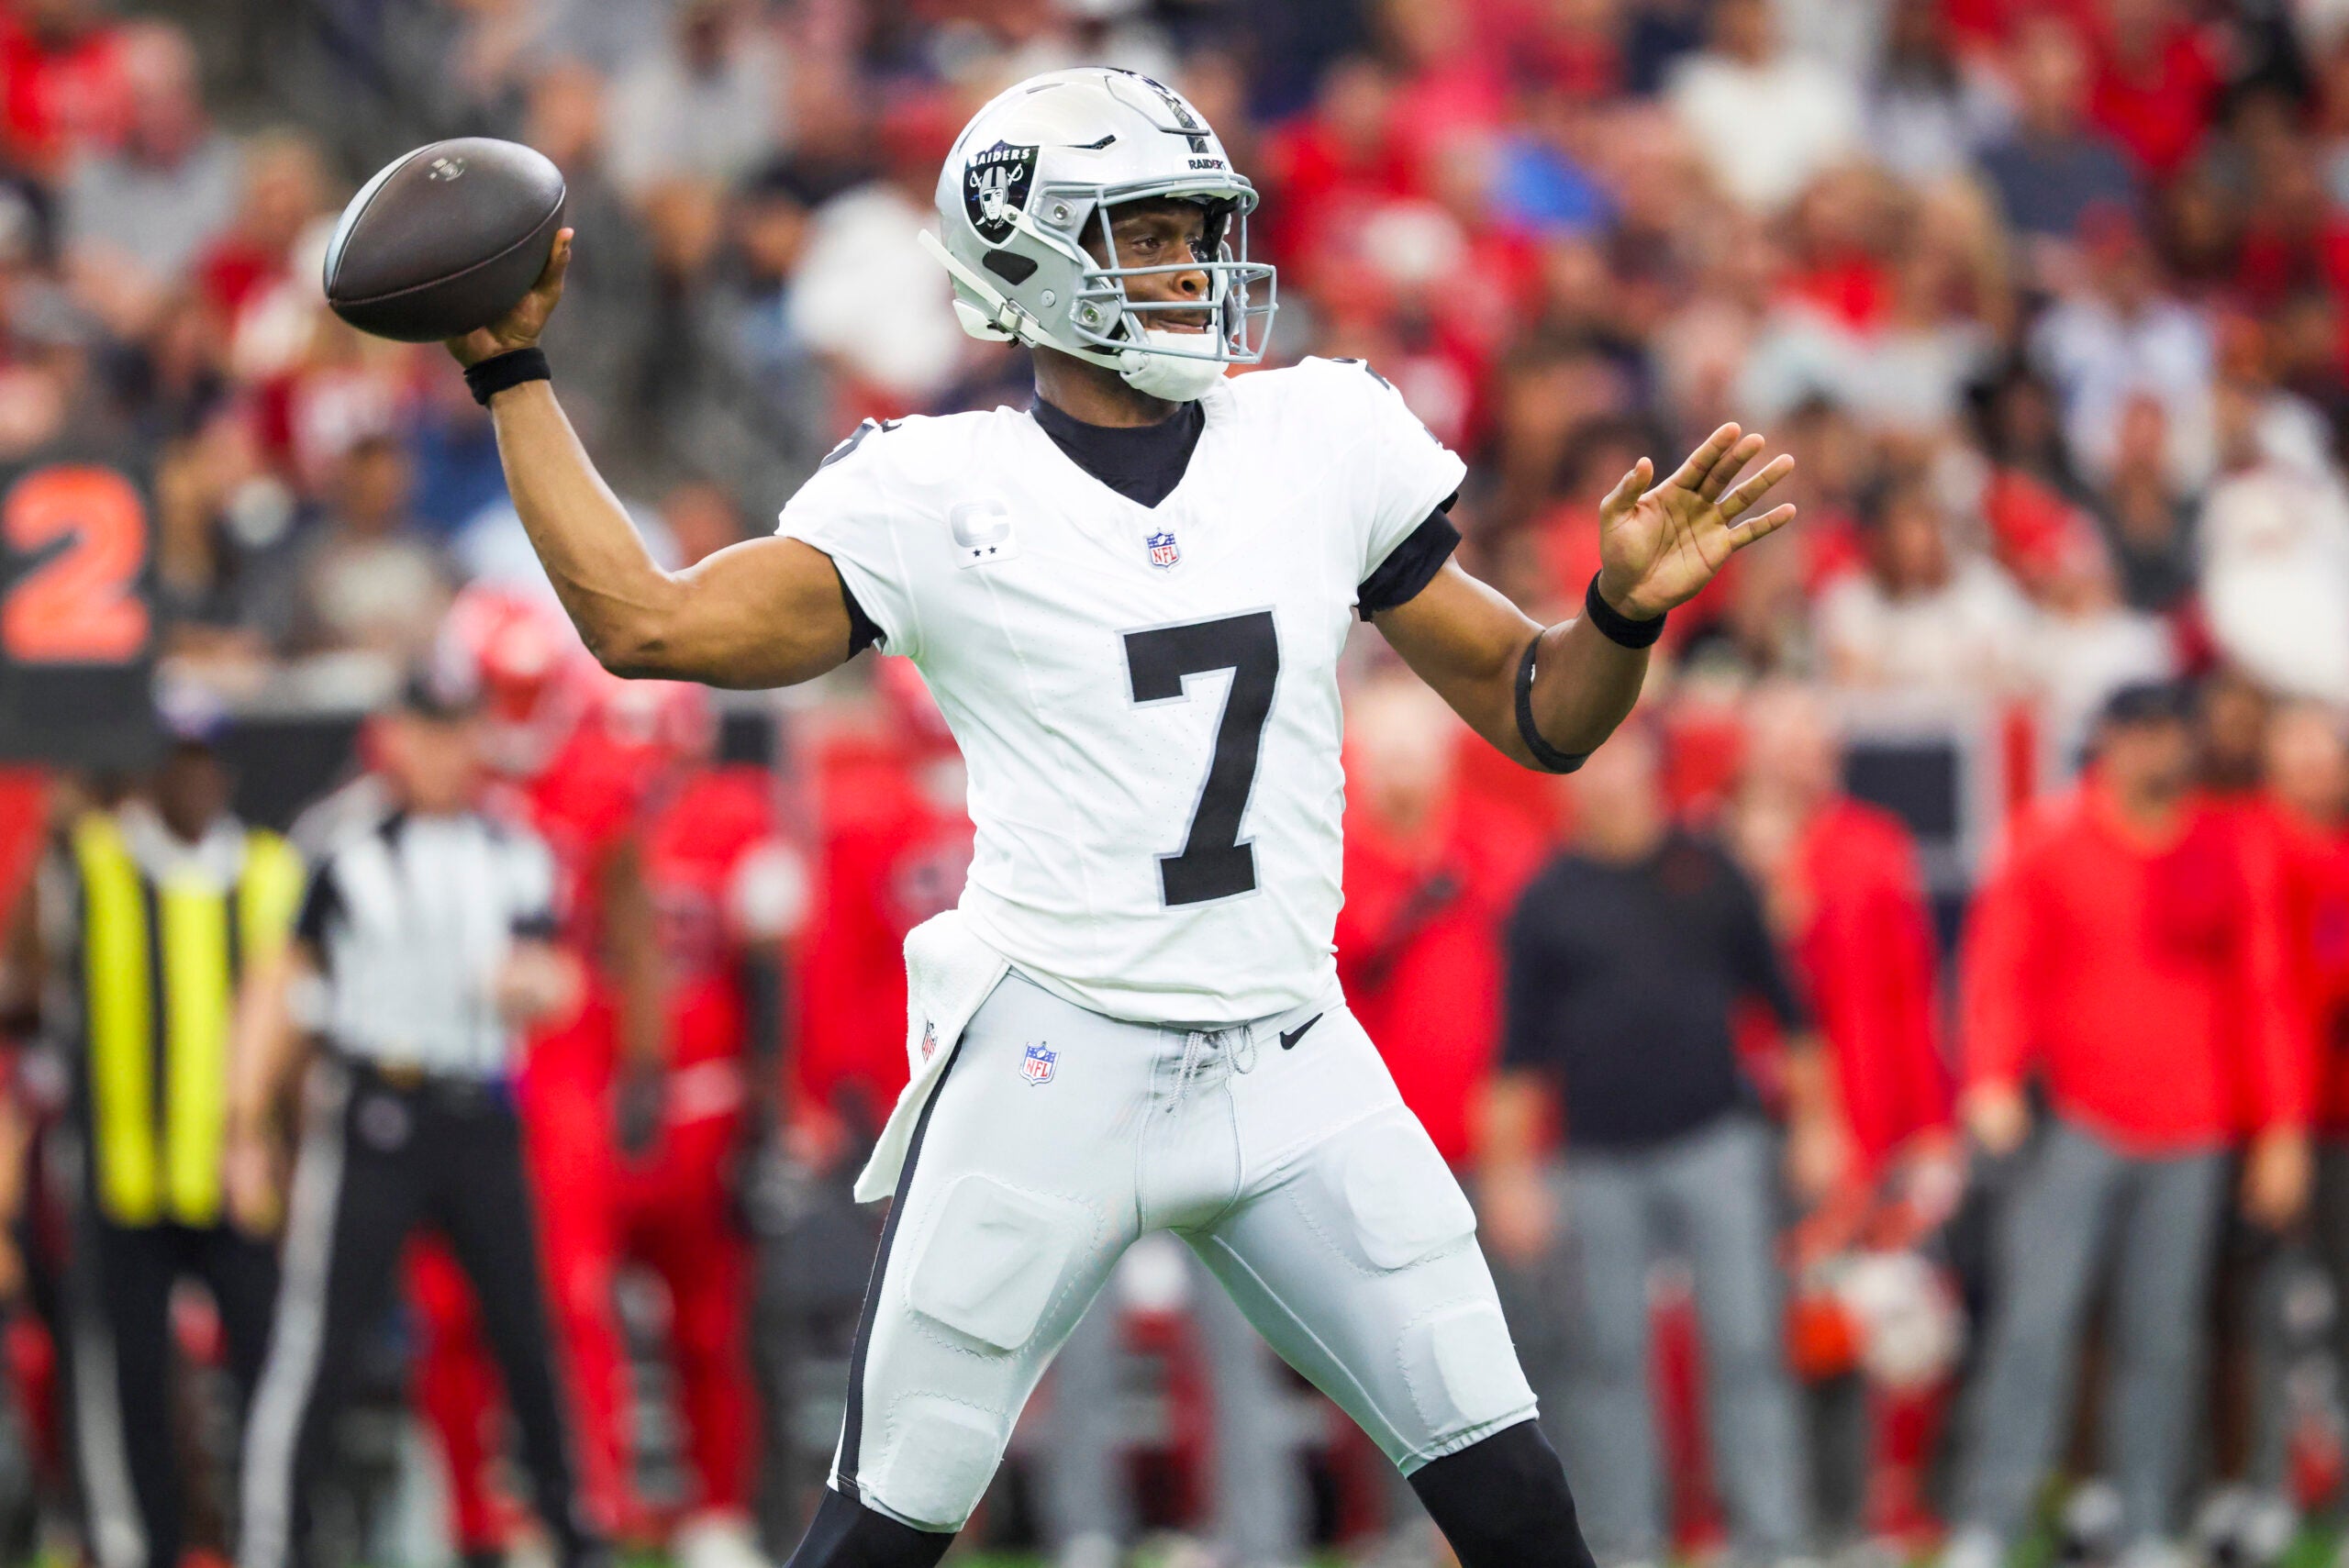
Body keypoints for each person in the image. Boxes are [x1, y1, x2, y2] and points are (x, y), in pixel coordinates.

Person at [445, 65, 1801, 1567]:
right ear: (1029, 258)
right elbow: (646, 625)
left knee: (1520, 1502)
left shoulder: (1321, 435)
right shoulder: (935, 489)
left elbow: (1544, 711)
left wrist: (1617, 608)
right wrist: (514, 378)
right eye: (1150, 233)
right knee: (880, 1528)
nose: (1195, 269)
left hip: (1289, 1050)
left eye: (1200, 230)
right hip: (1054, 1051)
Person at [225, 673, 606, 1568]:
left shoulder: (513, 843)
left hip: (477, 1106)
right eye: (423, 734)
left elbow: (561, 973)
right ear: (391, 737)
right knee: (320, 1336)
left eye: (455, 733)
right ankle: (275, 1539)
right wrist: (244, 1125)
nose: (440, 754)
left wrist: (541, 987)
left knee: (525, 1331)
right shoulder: (340, 839)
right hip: (373, 1107)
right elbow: (279, 982)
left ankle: (572, 1530)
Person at [1947, 680, 2310, 1568]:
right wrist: (1991, 1074)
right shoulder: (2050, 836)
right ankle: (1990, 1520)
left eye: (2172, 732)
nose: (2162, 750)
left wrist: (2281, 1126)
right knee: (2035, 1329)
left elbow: (2264, 993)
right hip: (2074, 1118)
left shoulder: (2221, 846)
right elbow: (2000, 964)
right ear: (2108, 738)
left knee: (2164, 1336)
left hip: (2190, 1127)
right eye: (2144, 732)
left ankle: (2146, 1522)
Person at [1477, 720, 1836, 1568]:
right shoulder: (1547, 897)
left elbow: (1788, 1012)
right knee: (1604, 1361)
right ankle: (1621, 1543)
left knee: (1747, 1343)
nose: (1602, 775)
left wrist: (1821, 1127)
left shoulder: (1710, 871)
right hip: (1595, 1159)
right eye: (1586, 756)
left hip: (1715, 1140)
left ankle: (1772, 1541)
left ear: (1650, 764)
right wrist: (1509, 1175)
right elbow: (1516, 1055)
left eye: (1616, 753)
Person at [16, 708, 302, 1568]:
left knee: (267, 1373)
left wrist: (279, 1143)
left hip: (232, 1168)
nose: (195, 780)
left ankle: (267, 1539)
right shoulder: (94, 860)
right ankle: (139, 1541)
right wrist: (53, 825)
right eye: (177, 761)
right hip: (124, 1169)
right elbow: (28, 965)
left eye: (208, 760)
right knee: (128, 1382)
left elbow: (292, 1021)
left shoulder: (266, 869)